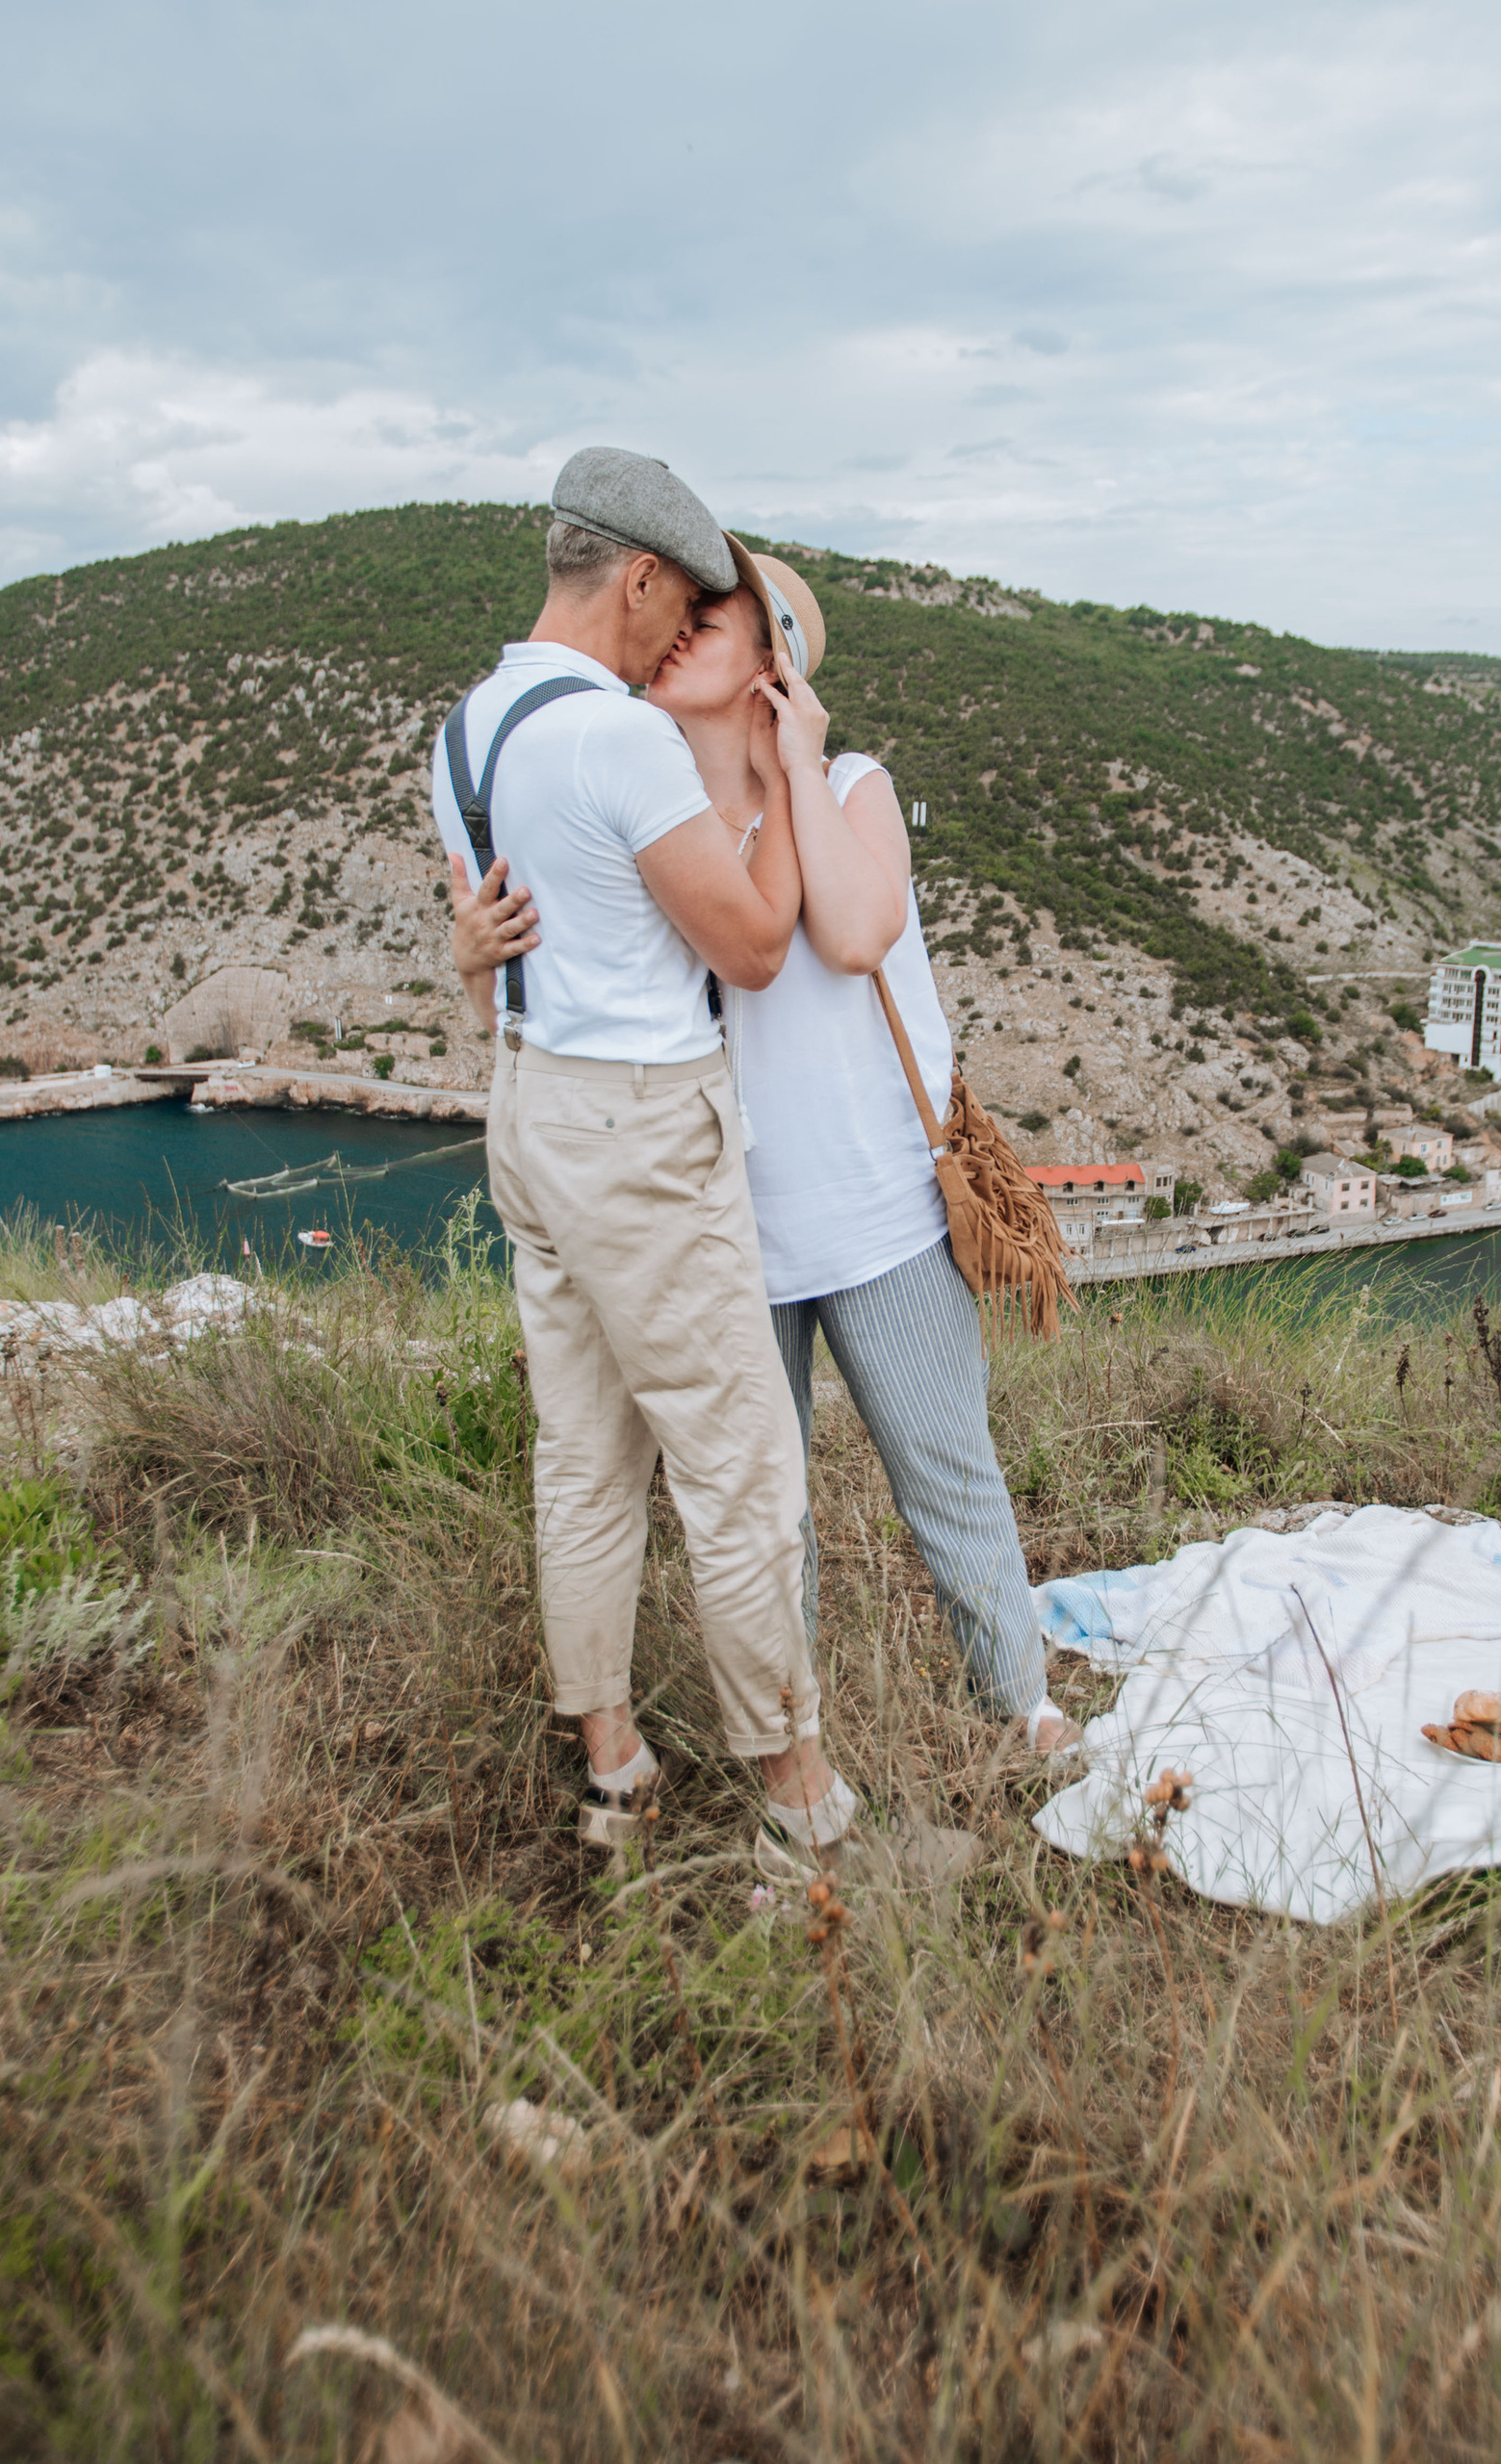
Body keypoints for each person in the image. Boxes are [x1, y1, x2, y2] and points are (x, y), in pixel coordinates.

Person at [454, 535, 1079, 1760]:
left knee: (947, 1476)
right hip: (723, 1224)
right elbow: (553, 1018)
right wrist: (476, 963)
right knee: (760, 1515)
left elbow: (850, 934)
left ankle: (1023, 1706)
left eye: (721, 612)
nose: (684, 622)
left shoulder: (851, 785)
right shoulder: (650, 824)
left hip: (882, 1212)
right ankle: (796, 1757)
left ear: (775, 658)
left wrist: (796, 762)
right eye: (684, 605)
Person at [430, 447, 868, 1874]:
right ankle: (803, 1807)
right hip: (641, 1129)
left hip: (529, 1108)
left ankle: (613, 1764)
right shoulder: (616, 738)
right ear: (632, 575)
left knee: (584, 1453)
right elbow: (746, 944)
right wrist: (797, 798)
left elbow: (492, 947)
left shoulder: (468, 730)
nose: (678, 633)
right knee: (739, 1471)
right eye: (675, 602)